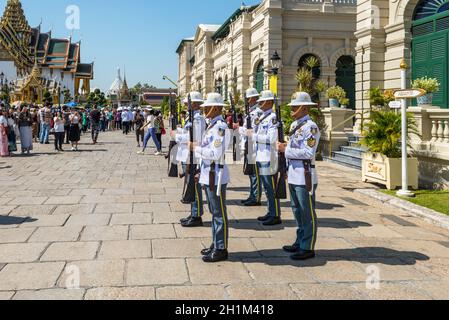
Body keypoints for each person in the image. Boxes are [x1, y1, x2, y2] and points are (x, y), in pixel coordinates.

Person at [278, 92, 320, 261]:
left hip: (305, 175)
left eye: (295, 106)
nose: (292, 109)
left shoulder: (311, 127)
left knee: (306, 212)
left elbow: (308, 152)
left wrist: (285, 149)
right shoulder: (296, 125)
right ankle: (300, 240)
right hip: (294, 174)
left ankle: (308, 246)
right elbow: (296, 146)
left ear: (304, 107)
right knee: (297, 211)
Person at [192, 92, 230, 263]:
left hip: (216, 175)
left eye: (207, 106)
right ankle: (215, 243)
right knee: (214, 212)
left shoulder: (221, 127)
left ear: (215, 107)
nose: (204, 109)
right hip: (209, 173)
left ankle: (221, 248)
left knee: (219, 213)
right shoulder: (212, 126)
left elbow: (215, 153)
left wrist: (196, 148)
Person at [243, 90, 282, 226]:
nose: (259, 103)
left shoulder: (272, 118)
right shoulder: (263, 117)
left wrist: (252, 136)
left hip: (268, 157)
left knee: (270, 187)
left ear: (269, 102)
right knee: (266, 187)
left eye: (262, 101)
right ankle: (271, 212)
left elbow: (271, 139)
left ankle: (275, 214)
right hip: (260, 156)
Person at [175, 92, 207, 228]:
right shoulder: (192, 118)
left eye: (188, 103)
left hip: (193, 156)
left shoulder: (198, 119)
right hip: (187, 155)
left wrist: (177, 136)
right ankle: (193, 212)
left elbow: (196, 139)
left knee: (194, 186)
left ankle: (197, 215)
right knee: (190, 185)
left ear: (195, 104)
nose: (185, 104)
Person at [238, 88, 263, 207]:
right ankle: (252, 195)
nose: (246, 101)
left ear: (253, 98)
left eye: (247, 98)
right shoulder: (250, 111)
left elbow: (251, 131)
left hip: (253, 146)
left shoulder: (257, 112)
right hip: (248, 145)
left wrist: (239, 128)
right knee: (250, 172)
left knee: (254, 173)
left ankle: (256, 196)